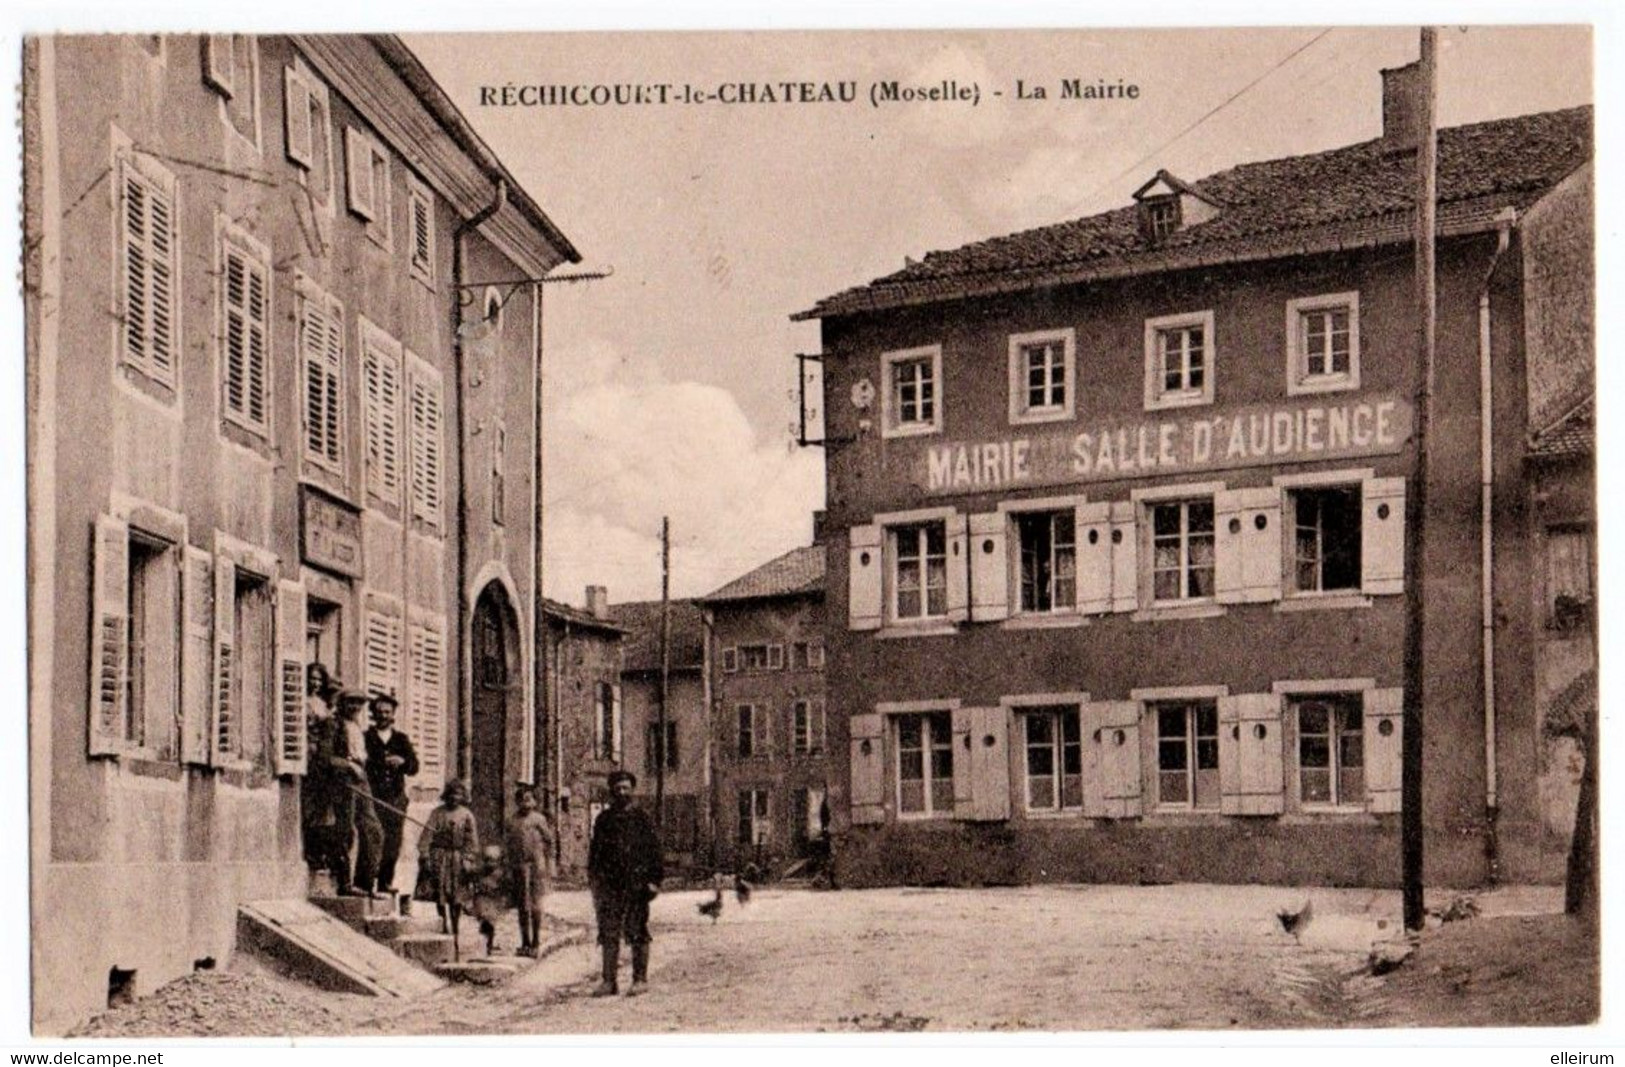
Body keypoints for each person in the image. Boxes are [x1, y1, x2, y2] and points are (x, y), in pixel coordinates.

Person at [587, 769, 663, 996]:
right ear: (612, 790)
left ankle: (640, 979)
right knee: (608, 932)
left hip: (637, 884)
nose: (621, 792)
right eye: (617, 788)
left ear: (632, 790)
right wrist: (594, 882)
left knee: (637, 929)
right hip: (610, 885)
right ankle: (609, 981)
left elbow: (655, 852)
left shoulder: (642, 818)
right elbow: (595, 853)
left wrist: (654, 881)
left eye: (625, 788)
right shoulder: (603, 820)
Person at [364, 692, 419, 895]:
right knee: (371, 838)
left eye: (387, 712)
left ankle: (385, 881)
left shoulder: (400, 739)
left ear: (393, 715)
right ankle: (366, 882)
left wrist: (402, 762)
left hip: (396, 798)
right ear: (373, 714)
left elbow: (414, 767)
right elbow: (362, 763)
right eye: (379, 712)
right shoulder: (366, 737)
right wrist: (378, 764)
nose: (383, 715)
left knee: (392, 841)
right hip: (373, 796)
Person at [332, 690, 385, 897]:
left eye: (359, 704)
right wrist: (347, 765)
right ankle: (345, 884)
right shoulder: (334, 725)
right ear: (342, 704)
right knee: (346, 832)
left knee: (374, 830)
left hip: (361, 780)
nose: (355, 708)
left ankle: (365, 884)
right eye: (351, 703)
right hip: (343, 782)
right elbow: (325, 758)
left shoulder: (356, 727)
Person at [418, 780, 480, 946]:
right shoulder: (437, 813)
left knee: (457, 894)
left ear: (462, 797)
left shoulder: (467, 815)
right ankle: (443, 921)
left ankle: (455, 924)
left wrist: (468, 858)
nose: (454, 798)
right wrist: (425, 854)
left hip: (458, 857)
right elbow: (426, 835)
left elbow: (471, 841)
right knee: (440, 891)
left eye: (458, 795)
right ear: (446, 796)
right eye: (451, 795)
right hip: (439, 856)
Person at [300, 664, 344, 890]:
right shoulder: (301, 701)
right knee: (310, 807)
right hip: (308, 755)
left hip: (323, 760)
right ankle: (312, 852)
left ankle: (321, 853)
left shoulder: (325, 705)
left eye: (318, 680)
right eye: (311, 679)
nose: (315, 683)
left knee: (324, 809)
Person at [505, 785, 553, 957]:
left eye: (529, 799)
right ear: (517, 802)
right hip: (519, 867)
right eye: (522, 799)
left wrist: (545, 862)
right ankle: (524, 941)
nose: (526, 803)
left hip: (536, 867)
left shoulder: (539, 819)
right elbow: (508, 844)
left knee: (535, 905)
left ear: (534, 801)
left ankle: (536, 940)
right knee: (522, 906)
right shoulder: (512, 820)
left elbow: (548, 840)